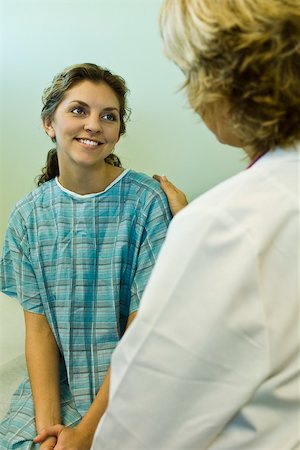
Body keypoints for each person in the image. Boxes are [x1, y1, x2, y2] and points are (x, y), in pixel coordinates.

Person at [91, 0, 300, 448]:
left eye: (189, 73)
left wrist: (197, 228)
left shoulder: (224, 222)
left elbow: (138, 427)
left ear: (220, 83)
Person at [0, 62, 172, 450]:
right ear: (49, 123)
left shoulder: (147, 202)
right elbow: (39, 330)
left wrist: (86, 433)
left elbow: (142, 328)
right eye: (78, 110)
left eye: (108, 116)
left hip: (137, 381)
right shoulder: (27, 218)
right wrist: (50, 431)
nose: (93, 124)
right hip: (62, 384)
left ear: (117, 133)